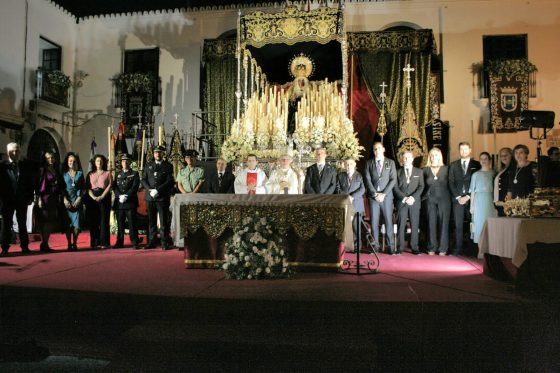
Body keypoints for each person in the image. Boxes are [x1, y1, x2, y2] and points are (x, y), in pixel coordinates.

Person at [0, 143, 37, 255]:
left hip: (22, 199)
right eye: (12, 151)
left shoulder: (24, 166)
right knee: (6, 224)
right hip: (7, 200)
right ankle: (5, 248)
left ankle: (25, 247)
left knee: (22, 224)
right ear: (8, 152)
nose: (15, 153)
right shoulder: (2, 166)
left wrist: (30, 197)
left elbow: (29, 183)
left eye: (17, 151)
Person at [364, 142, 397, 254]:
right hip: (374, 198)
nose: (377, 151)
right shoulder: (369, 163)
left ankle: (391, 247)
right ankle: (375, 246)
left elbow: (393, 180)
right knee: (374, 222)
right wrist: (374, 194)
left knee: (388, 221)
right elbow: (367, 180)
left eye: (379, 148)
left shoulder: (390, 163)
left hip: (386, 197)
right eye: (374, 149)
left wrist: (383, 194)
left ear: (383, 149)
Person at [448, 142, 480, 256]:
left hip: (471, 199)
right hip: (457, 200)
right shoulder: (453, 165)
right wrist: (458, 197)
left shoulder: (477, 164)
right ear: (459, 150)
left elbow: (478, 182)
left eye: (466, 149)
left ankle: (473, 250)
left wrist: (468, 196)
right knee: (458, 225)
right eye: (461, 149)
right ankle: (457, 249)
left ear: (470, 150)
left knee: (473, 224)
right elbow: (450, 182)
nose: (464, 151)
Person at [142, 145, 175, 250]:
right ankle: (152, 241)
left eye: (160, 152)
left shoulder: (168, 166)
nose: (158, 154)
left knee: (163, 221)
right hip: (150, 197)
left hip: (162, 197)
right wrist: (149, 190)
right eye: (156, 152)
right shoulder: (148, 165)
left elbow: (169, 181)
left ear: (163, 153)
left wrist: (158, 190)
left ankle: (164, 242)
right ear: (153, 154)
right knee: (151, 221)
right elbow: (143, 179)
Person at [393, 151, 424, 255]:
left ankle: (414, 247)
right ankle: (400, 247)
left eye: (408, 157)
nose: (406, 159)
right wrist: (404, 198)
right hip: (402, 202)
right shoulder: (397, 172)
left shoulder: (419, 172)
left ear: (412, 159)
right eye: (404, 158)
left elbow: (421, 186)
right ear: (402, 159)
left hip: (414, 202)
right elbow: (395, 188)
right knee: (401, 224)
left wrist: (412, 198)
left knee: (414, 224)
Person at [422, 147, 451, 256]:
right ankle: (431, 247)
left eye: (436, 155)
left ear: (440, 156)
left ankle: (443, 248)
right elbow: (422, 186)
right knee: (431, 223)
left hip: (444, 199)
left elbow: (451, 184)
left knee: (444, 224)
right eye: (432, 155)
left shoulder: (447, 169)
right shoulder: (425, 170)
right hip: (430, 200)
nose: (434, 157)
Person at [36, 151, 63, 252]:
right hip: (45, 198)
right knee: (46, 221)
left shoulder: (55, 169)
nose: (50, 160)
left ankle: (45, 244)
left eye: (52, 157)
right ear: (45, 159)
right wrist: (39, 199)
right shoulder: (43, 170)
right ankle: (45, 244)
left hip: (54, 198)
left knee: (51, 221)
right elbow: (40, 186)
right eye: (48, 158)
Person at [336, 158, 365, 252]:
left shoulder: (359, 175)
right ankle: (346, 247)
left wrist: (352, 196)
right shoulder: (340, 175)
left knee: (356, 227)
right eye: (347, 164)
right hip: (345, 204)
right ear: (345, 165)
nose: (349, 166)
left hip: (356, 204)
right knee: (345, 226)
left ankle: (357, 247)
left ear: (354, 164)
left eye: (351, 164)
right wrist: (346, 197)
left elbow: (362, 189)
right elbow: (338, 188)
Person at [112, 153, 140, 249]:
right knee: (120, 223)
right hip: (120, 203)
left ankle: (134, 242)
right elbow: (114, 187)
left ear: (130, 162)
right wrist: (119, 196)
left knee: (132, 223)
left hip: (130, 202)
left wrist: (126, 196)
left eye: (127, 160)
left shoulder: (134, 173)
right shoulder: (118, 174)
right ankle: (120, 242)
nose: (125, 162)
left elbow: (135, 187)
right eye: (123, 161)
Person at [469, 152, 496, 246]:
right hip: (479, 201)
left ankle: (491, 247)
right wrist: (471, 206)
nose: (483, 161)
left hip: (491, 200)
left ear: (489, 160)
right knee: (479, 223)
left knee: (491, 223)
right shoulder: (475, 175)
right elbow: (473, 191)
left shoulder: (494, 173)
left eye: (485, 159)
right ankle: (480, 249)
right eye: (481, 159)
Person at [86, 154, 113, 249]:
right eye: (97, 161)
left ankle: (104, 243)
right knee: (94, 221)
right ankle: (94, 242)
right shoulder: (90, 174)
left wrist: (102, 196)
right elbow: (88, 188)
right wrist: (93, 197)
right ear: (94, 162)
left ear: (103, 162)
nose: (99, 162)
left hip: (104, 198)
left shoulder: (107, 173)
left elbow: (110, 185)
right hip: (92, 199)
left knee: (103, 220)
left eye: (101, 161)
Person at [61, 152, 85, 251]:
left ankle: (74, 243)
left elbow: (83, 188)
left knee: (77, 224)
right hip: (67, 201)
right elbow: (61, 189)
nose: (72, 162)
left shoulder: (80, 173)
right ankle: (69, 243)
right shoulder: (63, 174)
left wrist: (79, 198)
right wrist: (64, 199)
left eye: (74, 161)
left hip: (77, 200)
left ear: (76, 163)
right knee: (67, 224)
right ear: (67, 162)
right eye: (70, 161)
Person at [493, 147, 514, 216]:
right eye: (502, 156)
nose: (504, 157)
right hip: (498, 203)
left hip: (506, 202)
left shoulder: (513, 168)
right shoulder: (501, 169)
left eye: (506, 155)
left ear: (511, 155)